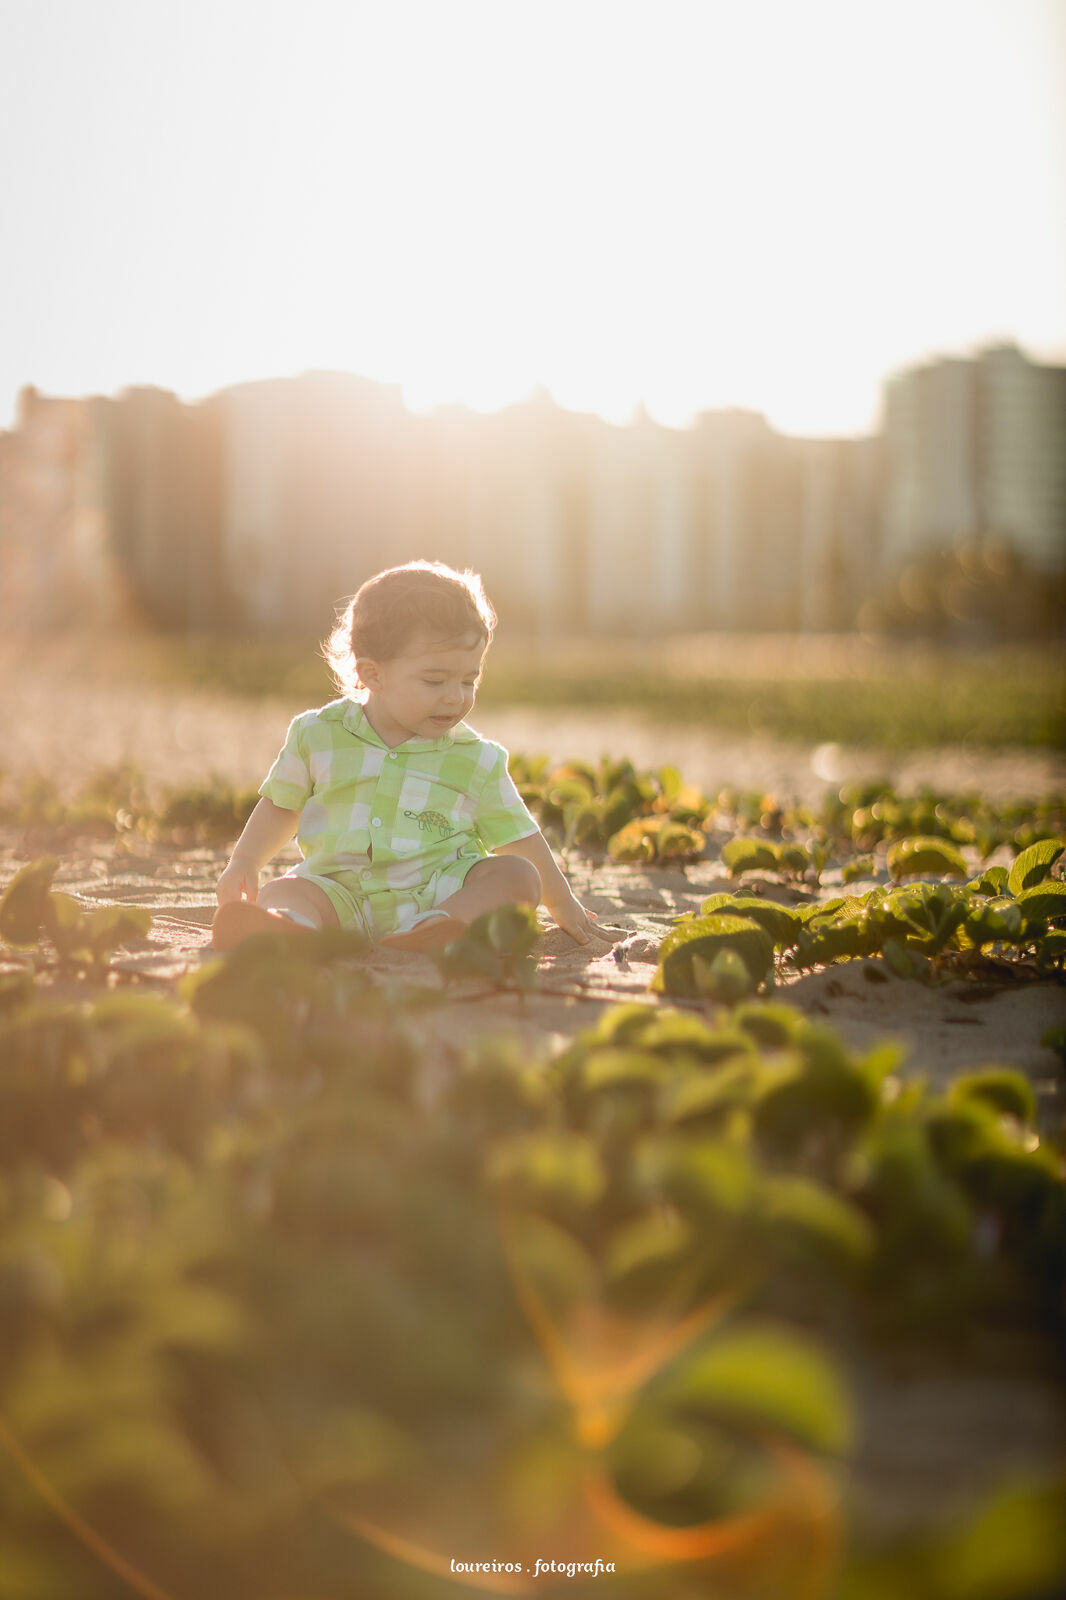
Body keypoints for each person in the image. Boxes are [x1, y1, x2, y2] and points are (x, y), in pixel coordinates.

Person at [212, 560, 612, 954]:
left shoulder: (476, 758)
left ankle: (439, 930)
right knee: (288, 890)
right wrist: (246, 859)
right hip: (338, 892)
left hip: (438, 893)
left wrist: (560, 902)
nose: (456, 696)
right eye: (435, 680)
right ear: (372, 674)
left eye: (469, 680)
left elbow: (520, 837)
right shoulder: (317, 734)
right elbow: (282, 806)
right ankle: (289, 927)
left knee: (517, 876)